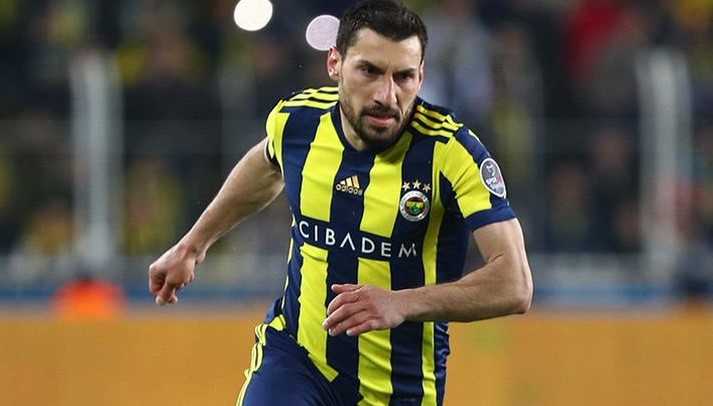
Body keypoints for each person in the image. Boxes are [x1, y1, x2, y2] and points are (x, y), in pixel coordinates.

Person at [148, 1, 533, 405]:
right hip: (297, 359)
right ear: (335, 63)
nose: (387, 95)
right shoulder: (299, 122)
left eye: (403, 76)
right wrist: (192, 245)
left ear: (421, 76)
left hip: (398, 387)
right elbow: (266, 165)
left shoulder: (451, 152)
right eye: (370, 71)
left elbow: (515, 284)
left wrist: (402, 302)